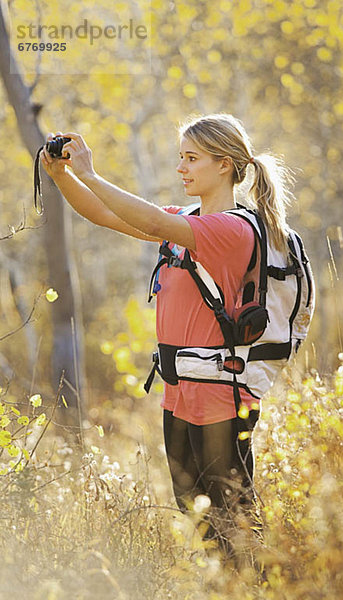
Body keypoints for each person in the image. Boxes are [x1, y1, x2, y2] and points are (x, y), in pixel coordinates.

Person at [40, 113, 293, 570]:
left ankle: (261, 587)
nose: (182, 168)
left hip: (219, 395)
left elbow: (154, 223)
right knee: (197, 514)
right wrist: (64, 176)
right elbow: (105, 214)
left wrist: (92, 172)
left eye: (192, 159)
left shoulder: (232, 230)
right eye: (181, 158)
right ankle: (225, 588)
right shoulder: (186, 221)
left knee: (231, 518)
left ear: (225, 165)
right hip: (180, 394)